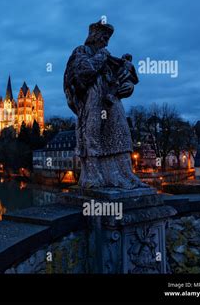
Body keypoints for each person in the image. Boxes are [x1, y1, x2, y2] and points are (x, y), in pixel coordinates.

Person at [63, 21, 147, 189]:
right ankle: (94, 177)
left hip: (112, 101)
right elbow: (83, 73)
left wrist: (128, 88)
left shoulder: (107, 57)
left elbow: (121, 77)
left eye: (108, 39)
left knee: (121, 134)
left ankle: (125, 174)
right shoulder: (81, 51)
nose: (107, 42)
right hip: (93, 101)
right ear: (94, 37)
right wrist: (103, 56)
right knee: (93, 134)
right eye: (104, 38)